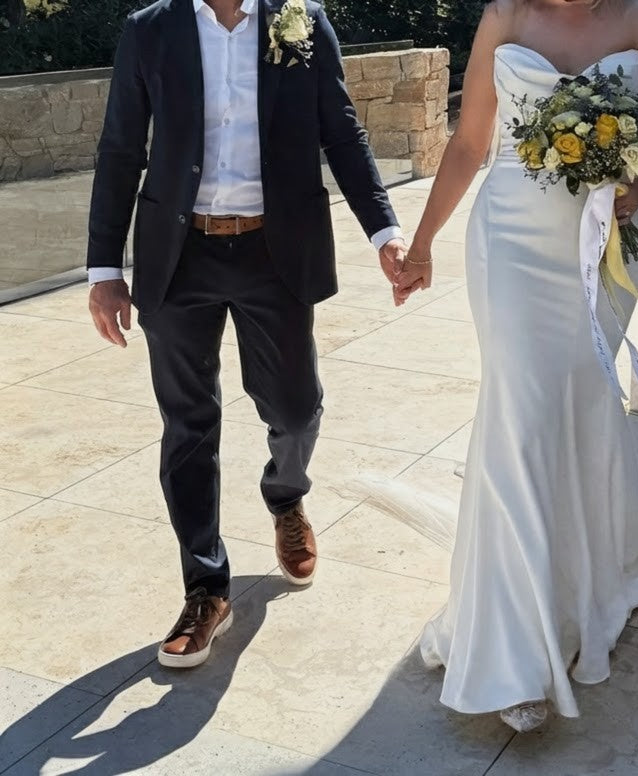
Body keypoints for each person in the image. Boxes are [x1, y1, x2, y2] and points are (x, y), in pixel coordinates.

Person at [86, 0, 406, 668]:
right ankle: (206, 587)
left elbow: (340, 130)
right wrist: (103, 269)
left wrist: (383, 229)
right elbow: (121, 147)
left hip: (275, 251)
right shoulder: (150, 29)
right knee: (187, 424)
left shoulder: (301, 21)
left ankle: (285, 495)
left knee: (295, 406)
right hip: (179, 256)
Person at [391, 0, 638, 731]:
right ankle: (514, 656)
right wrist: (421, 243)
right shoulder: (504, 17)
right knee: (519, 422)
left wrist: (630, 191)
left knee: (581, 406)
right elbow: (467, 145)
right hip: (511, 243)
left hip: (601, 251)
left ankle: (584, 576)